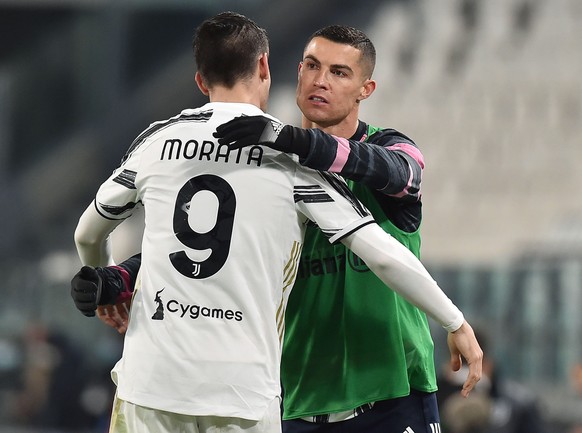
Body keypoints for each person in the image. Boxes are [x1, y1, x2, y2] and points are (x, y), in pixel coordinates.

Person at [73, 19, 482, 433]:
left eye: (339, 73)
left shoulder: (385, 148)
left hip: (390, 393)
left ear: (366, 89)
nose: (321, 81)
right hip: (298, 397)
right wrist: (122, 276)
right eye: (311, 66)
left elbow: (403, 174)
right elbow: (216, 239)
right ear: (287, 70)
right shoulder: (277, 164)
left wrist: (294, 141)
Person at [437, 327, 549, 433]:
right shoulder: (433, 400)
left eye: (472, 364)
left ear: (487, 364)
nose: (466, 375)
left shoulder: (519, 405)